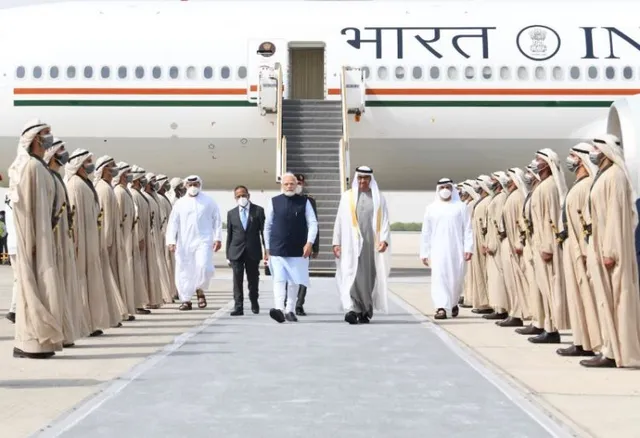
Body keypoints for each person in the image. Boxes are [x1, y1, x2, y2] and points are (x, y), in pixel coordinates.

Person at [581, 134, 640, 368]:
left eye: (596, 148)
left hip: (610, 251)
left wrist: (611, 251)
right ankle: (609, 348)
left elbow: (616, 216)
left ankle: (618, 352)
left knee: (617, 300)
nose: (593, 152)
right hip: (601, 246)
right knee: (606, 301)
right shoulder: (604, 175)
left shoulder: (615, 176)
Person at [9, 119, 64, 358]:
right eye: (45, 134)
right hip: (35, 241)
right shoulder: (31, 167)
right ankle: (29, 343)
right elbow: (27, 210)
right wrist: (31, 242)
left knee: (43, 290)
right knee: (33, 290)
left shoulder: (40, 168)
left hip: (44, 239)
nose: (49, 138)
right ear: (34, 140)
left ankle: (41, 342)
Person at [556, 144, 601, 358]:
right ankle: (581, 340)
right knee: (577, 299)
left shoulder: (586, 186)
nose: (570, 159)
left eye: (573, 156)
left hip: (581, 251)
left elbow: (588, 221)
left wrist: (584, 251)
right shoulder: (579, 184)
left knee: (586, 298)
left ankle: (592, 343)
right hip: (572, 248)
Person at [45, 138, 90, 346]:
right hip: (55, 243)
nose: (65, 153)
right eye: (61, 150)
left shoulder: (59, 180)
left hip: (65, 242)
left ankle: (65, 331)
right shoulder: (64, 182)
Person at [333, 166, 390, 325]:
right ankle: (352, 309)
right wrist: (336, 242)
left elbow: (385, 221)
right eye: (360, 178)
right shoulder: (347, 197)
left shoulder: (379, 197)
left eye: (366, 178)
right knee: (351, 274)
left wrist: (384, 240)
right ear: (356, 179)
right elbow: (339, 220)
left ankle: (365, 310)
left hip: (371, 245)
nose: (363, 181)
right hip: (350, 244)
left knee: (368, 277)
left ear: (371, 179)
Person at [65, 149, 111, 337]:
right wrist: (75, 242)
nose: (90, 165)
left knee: (90, 281)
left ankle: (90, 322)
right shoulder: (75, 185)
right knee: (81, 282)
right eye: (88, 161)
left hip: (90, 240)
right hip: (80, 242)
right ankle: (81, 321)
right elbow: (73, 217)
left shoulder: (86, 184)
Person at [527, 149, 569, 344]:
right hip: (539, 244)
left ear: (547, 164)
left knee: (551, 289)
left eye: (539, 160)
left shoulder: (549, 187)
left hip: (547, 247)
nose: (535, 163)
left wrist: (547, 247)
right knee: (544, 288)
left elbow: (550, 220)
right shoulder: (542, 186)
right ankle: (548, 327)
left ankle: (552, 330)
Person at [264, 172, 318, 323]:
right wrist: (267, 248)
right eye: (286, 184)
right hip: (277, 247)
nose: (289, 186)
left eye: (292, 184)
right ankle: (279, 309)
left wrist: (309, 243)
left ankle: (290, 310)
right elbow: (267, 226)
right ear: (282, 185)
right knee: (279, 280)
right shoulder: (274, 201)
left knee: (295, 280)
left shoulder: (304, 202)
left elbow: (313, 223)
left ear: (297, 185)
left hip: (298, 248)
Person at [166, 175, 222, 311]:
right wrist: (171, 240)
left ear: (200, 185)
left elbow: (217, 220)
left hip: (204, 241)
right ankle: (186, 300)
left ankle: (200, 290)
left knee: (204, 267)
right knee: (184, 271)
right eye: (190, 184)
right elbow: (173, 223)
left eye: (195, 184)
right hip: (184, 242)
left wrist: (218, 238)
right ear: (185, 186)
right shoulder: (179, 203)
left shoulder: (209, 201)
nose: (193, 187)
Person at [420, 178, 473, 319]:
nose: (445, 190)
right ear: (438, 189)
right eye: (442, 187)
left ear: (452, 189)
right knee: (439, 278)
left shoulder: (460, 207)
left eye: (448, 187)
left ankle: (453, 302)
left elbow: (468, 229)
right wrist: (424, 252)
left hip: (457, 249)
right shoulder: (431, 208)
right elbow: (426, 232)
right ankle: (441, 307)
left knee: (455, 279)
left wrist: (469, 248)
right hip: (437, 250)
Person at [496, 167, 529, 328]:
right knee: (510, 281)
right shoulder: (511, 197)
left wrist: (519, 242)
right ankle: (514, 312)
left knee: (517, 282)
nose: (507, 181)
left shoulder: (517, 197)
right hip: (508, 244)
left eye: (510, 178)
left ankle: (519, 313)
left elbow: (521, 222)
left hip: (515, 246)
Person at [284, 173, 319, 316]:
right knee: (288, 274)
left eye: (299, 183)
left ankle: (299, 304)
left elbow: (315, 224)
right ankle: (288, 301)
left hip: (305, 244)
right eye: (295, 182)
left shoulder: (309, 201)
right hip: (288, 243)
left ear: (303, 185)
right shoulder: (283, 199)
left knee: (302, 275)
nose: (297, 185)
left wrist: (314, 245)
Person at [226, 185, 265, 316]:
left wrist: (267, 251)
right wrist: (228, 254)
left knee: (253, 279)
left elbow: (263, 232)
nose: (241, 198)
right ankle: (238, 306)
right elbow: (230, 235)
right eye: (238, 196)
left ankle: (254, 302)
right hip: (236, 251)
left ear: (248, 196)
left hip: (253, 251)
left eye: (243, 195)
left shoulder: (258, 211)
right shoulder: (231, 213)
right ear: (235, 198)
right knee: (237, 280)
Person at [112, 162, 137, 318]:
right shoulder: (119, 192)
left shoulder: (125, 191)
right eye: (128, 172)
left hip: (128, 238)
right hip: (122, 240)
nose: (130, 175)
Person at [4, 196, 17, 324]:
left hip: (12, 243)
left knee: (17, 279)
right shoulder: (16, 194)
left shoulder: (8, 196)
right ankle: (14, 311)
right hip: (19, 243)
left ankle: (14, 310)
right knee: (21, 279)